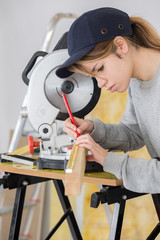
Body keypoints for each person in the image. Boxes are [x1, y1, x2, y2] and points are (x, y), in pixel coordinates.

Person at [56, 7, 160, 193]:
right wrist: (94, 130)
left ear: (121, 45)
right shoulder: (137, 83)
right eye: (92, 76)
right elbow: (134, 135)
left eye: (100, 68)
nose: (100, 83)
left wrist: (109, 161)